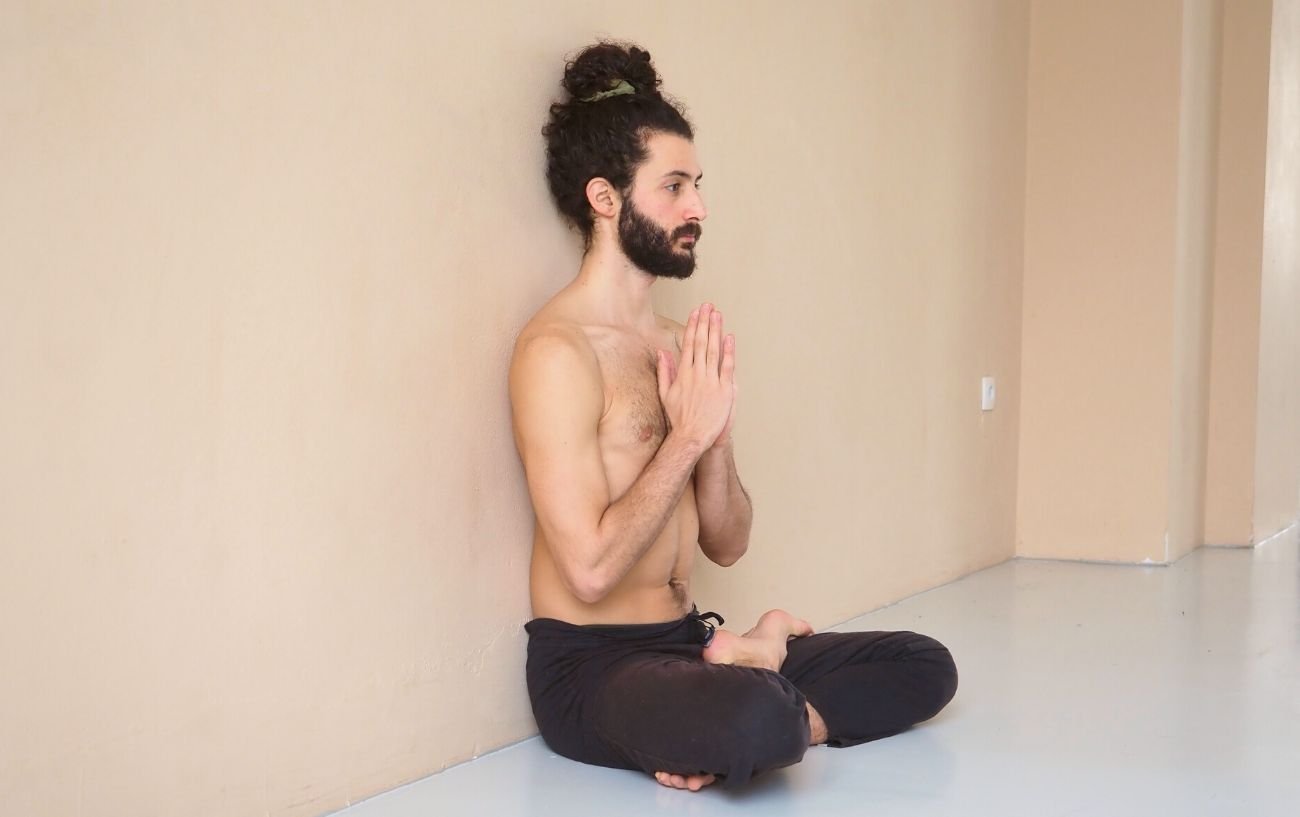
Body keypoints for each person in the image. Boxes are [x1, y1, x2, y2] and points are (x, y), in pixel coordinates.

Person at [508, 41, 958, 792]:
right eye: (675, 185)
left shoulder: (682, 344)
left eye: (698, 185)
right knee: (760, 723)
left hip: (689, 644)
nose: (699, 208)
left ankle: (754, 669)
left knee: (924, 664)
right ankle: (759, 669)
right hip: (593, 668)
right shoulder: (556, 353)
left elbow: (728, 543)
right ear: (605, 197)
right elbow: (586, 571)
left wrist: (713, 435)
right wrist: (686, 436)